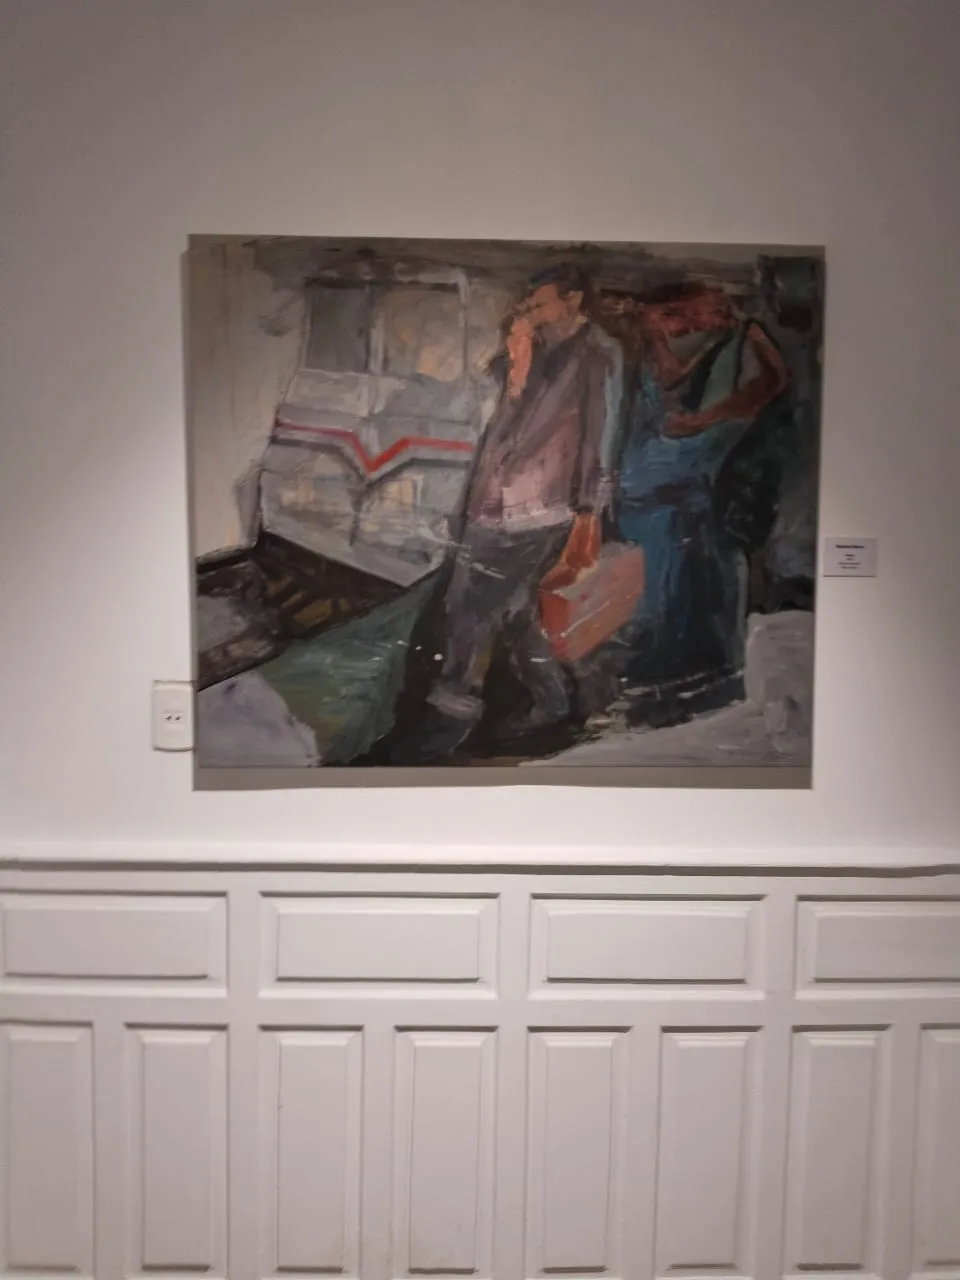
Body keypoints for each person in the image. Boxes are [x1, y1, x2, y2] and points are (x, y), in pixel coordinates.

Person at [390, 264, 624, 762]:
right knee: (515, 613)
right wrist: (517, 359)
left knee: (465, 614)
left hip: (540, 508)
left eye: (539, 305)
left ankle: (450, 718)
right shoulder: (531, 348)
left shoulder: (599, 353)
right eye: (527, 305)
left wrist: (589, 515)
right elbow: (503, 411)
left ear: (573, 301)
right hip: (493, 502)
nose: (529, 313)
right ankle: (552, 701)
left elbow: (601, 439)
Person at [616, 283, 790, 711]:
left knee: (705, 562)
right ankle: (684, 664)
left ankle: (708, 667)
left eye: (690, 313)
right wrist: (656, 339)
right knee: (675, 562)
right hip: (674, 480)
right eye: (672, 315)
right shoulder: (705, 344)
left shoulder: (744, 338)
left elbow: (771, 382)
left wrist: (701, 422)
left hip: (709, 474)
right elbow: (672, 378)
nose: (686, 324)